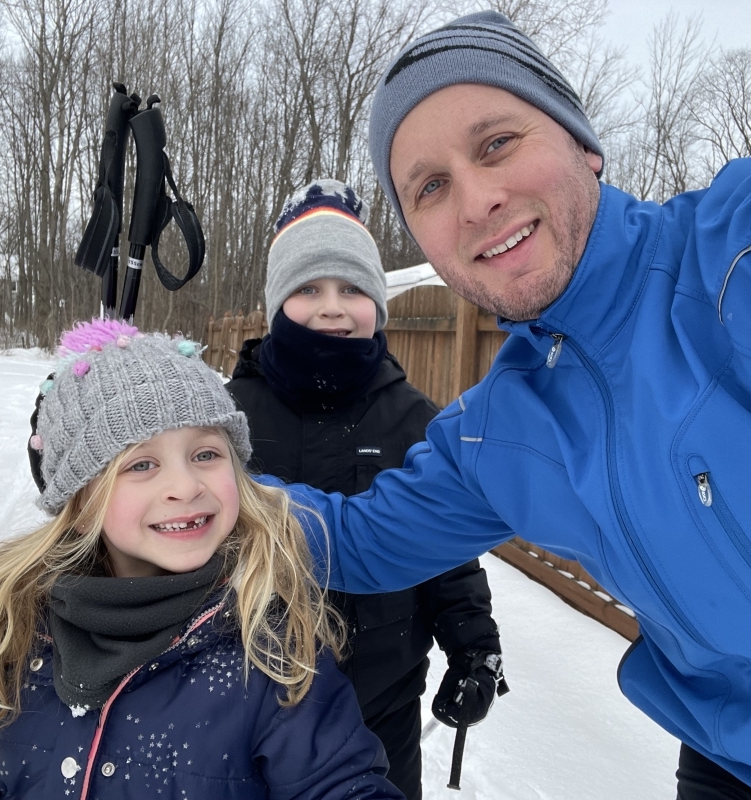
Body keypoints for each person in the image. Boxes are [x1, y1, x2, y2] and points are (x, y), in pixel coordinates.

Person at [262, 11, 751, 800]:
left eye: (496, 144)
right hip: (729, 759)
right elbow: (353, 540)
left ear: (583, 143)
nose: (478, 200)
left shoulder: (728, 255)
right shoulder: (498, 432)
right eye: (430, 187)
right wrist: (154, 471)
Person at [0, 319, 404, 800]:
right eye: (142, 464)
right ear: (81, 505)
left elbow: (340, 784)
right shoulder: (10, 636)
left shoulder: (270, 654)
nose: (186, 487)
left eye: (206, 453)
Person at [226, 178, 507, 799]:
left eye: (352, 288)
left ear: (377, 305)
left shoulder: (414, 419)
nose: (332, 307)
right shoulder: (226, 416)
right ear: (277, 304)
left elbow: (447, 544)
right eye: (309, 289)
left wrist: (472, 644)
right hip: (241, 699)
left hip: (380, 705)